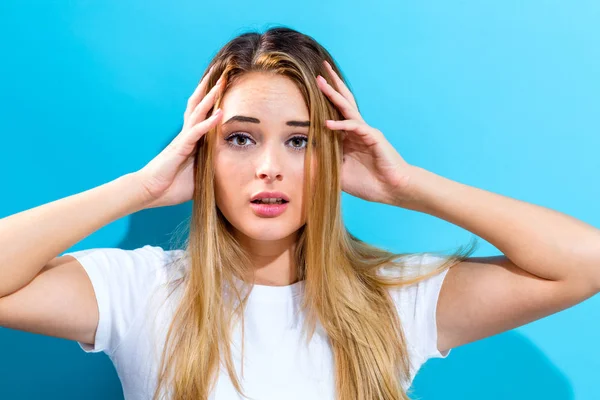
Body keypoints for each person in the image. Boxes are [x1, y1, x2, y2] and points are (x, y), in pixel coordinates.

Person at [1, 26, 599, 400]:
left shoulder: (394, 300)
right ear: (204, 152)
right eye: (240, 138)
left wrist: (408, 186)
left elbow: (585, 262)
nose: (269, 168)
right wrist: (139, 189)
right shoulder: (141, 289)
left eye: (300, 139)